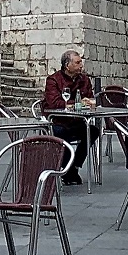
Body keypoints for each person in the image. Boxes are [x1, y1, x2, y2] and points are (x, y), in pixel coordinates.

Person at [42, 50, 97, 186]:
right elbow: (54, 104)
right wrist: (76, 104)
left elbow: (89, 98)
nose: (81, 65)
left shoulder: (84, 80)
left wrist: (89, 103)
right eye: (77, 62)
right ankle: (68, 170)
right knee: (61, 134)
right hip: (58, 121)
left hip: (77, 121)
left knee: (93, 131)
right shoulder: (53, 80)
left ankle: (74, 166)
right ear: (67, 65)